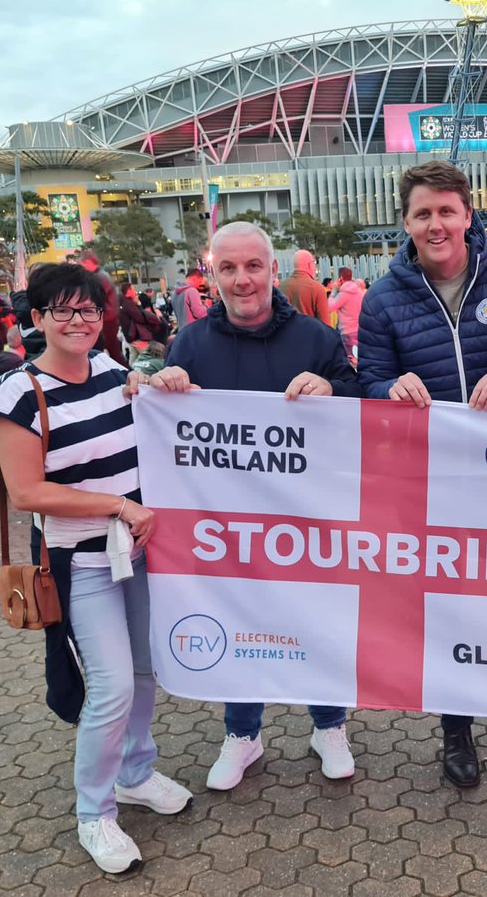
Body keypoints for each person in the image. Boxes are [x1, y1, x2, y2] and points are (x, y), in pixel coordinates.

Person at [0, 262, 192, 875]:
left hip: (136, 550)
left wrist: (165, 379)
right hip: (79, 559)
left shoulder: (110, 369)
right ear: (38, 318)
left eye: (89, 310)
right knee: (111, 686)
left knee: (145, 668)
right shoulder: (20, 393)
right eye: (63, 310)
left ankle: (135, 772)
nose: (78, 321)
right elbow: (25, 491)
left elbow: (148, 408)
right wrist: (117, 506)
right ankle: (93, 813)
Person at [150, 220, 362, 792]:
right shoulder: (190, 344)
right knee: (237, 620)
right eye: (228, 268)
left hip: (309, 517)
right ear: (212, 274)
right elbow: (166, 430)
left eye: (252, 266)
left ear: (273, 270)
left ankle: (329, 725)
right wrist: (163, 385)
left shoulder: (316, 339)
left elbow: (359, 398)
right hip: (228, 526)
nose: (241, 280)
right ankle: (243, 733)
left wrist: (333, 391)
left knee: (318, 620)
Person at [357, 160, 487, 788]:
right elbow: (369, 380)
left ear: (468, 214)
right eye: (422, 213)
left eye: (446, 211)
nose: (435, 224)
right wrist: (391, 386)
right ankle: (457, 728)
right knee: (448, 600)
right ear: (406, 221)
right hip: (433, 476)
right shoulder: (383, 297)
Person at [77, 250, 127, 367]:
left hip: (106, 320)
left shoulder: (98, 278)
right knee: (112, 350)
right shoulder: (101, 276)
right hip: (107, 318)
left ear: (88, 262)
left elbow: (95, 299)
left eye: (82, 265)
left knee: (107, 350)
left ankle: (124, 373)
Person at [280, 249, 331, 323]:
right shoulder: (317, 288)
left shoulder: (280, 287)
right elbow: (326, 325)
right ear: (310, 264)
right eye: (314, 263)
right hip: (311, 333)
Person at [119, 283, 162, 364]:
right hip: (137, 337)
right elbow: (140, 317)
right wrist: (139, 306)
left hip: (129, 336)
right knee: (148, 358)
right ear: (128, 291)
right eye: (133, 290)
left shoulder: (121, 303)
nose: (135, 292)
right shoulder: (128, 304)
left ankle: (130, 374)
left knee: (133, 358)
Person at [330, 277, 364, 363]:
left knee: (349, 360)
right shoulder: (362, 295)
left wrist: (333, 292)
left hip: (347, 331)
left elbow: (329, 307)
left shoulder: (344, 295)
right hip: (360, 331)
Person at [170, 268, 208, 332]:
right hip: (193, 331)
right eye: (199, 281)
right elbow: (199, 313)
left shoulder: (174, 293)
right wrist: (207, 307)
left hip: (181, 331)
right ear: (195, 278)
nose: (199, 285)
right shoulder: (192, 291)